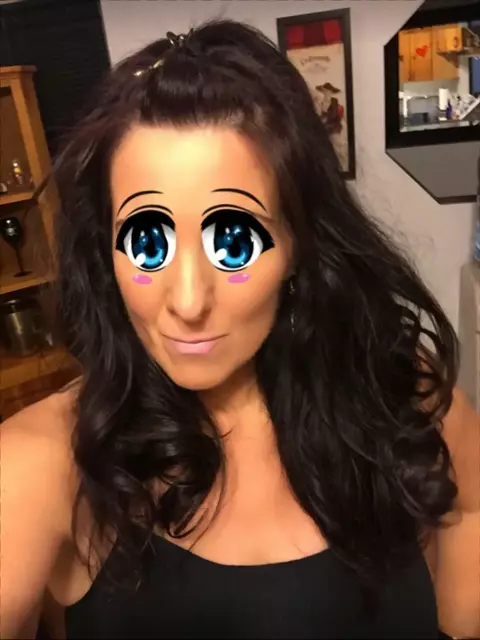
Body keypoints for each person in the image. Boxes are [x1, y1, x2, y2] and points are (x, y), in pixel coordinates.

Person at [1, 20, 479, 640]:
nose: (187, 300)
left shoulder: (399, 393)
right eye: (147, 243)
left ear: (298, 244)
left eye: (232, 241)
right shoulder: (43, 460)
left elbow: (468, 511)